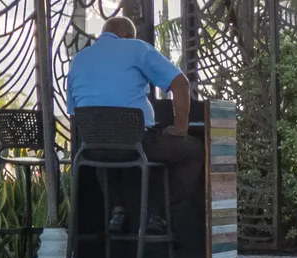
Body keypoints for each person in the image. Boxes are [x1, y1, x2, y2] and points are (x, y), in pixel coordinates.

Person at [66, 15, 203, 233]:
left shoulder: (79, 60)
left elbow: (74, 114)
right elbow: (181, 84)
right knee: (194, 150)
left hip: (93, 149)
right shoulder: (136, 48)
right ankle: (161, 213)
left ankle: (119, 210)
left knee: (111, 146)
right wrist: (180, 128)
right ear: (128, 36)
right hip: (136, 144)